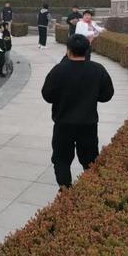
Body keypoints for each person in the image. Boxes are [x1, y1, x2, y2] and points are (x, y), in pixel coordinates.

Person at [41, 34, 114, 190]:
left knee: (61, 160)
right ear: (87, 50)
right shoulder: (97, 69)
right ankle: (91, 192)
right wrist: (92, 96)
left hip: (63, 124)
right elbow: (107, 95)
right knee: (90, 161)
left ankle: (66, 192)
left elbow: (47, 95)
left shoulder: (59, 70)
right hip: (88, 124)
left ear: (68, 50)